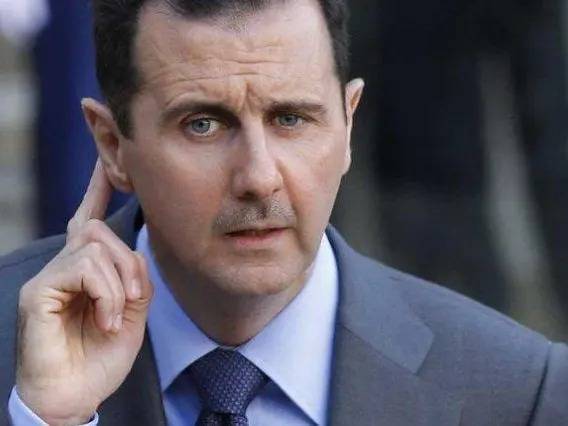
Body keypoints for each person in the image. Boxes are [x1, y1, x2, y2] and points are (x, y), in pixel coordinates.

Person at [0, 0, 567, 424]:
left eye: (291, 119)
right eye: (203, 124)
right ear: (112, 146)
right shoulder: (16, 351)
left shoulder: (520, 391)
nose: (259, 177)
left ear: (348, 123)